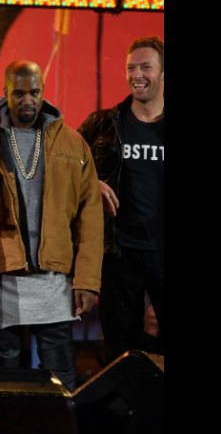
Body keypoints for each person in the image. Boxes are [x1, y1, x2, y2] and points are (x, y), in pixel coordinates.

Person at [0, 60, 102, 390]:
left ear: (43, 92)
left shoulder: (72, 143)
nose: (27, 101)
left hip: (55, 278)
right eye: (18, 93)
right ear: (5, 93)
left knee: (60, 380)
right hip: (2, 275)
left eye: (34, 93)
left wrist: (88, 279)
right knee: (3, 381)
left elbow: (89, 216)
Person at [78, 36, 164, 361]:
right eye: (131, 67)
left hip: (162, 252)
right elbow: (61, 165)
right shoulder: (104, 124)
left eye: (145, 67)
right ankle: (123, 410)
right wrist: (90, 182)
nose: (136, 74)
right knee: (120, 351)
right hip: (118, 253)